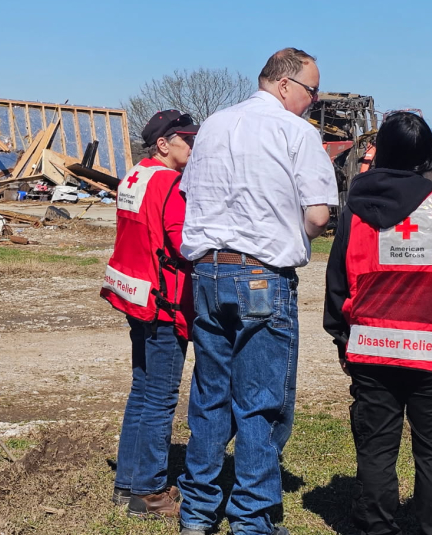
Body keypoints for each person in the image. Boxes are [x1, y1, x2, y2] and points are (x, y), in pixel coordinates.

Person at [177, 48, 337, 535]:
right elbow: (318, 215)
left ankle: (198, 511)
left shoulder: (214, 126)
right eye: (311, 92)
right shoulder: (295, 132)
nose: (312, 102)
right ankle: (251, 518)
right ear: (286, 85)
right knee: (259, 401)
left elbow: (190, 195)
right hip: (261, 276)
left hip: (206, 271)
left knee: (209, 394)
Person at [323, 111, 432, 535]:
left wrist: (343, 340)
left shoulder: (354, 211)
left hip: (370, 353)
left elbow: (337, 284)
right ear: (426, 156)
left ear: (379, 152)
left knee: (376, 452)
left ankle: (374, 527)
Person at [101, 109, 199, 519]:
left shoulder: (135, 176)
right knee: (159, 397)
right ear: (164, 143)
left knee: (141, 391)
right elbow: (183, 245)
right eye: (187, 140)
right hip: (163, 301)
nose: (193, 147)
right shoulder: (170, 183)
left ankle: (127, 483)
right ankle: (150, 492)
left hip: (134, 295)